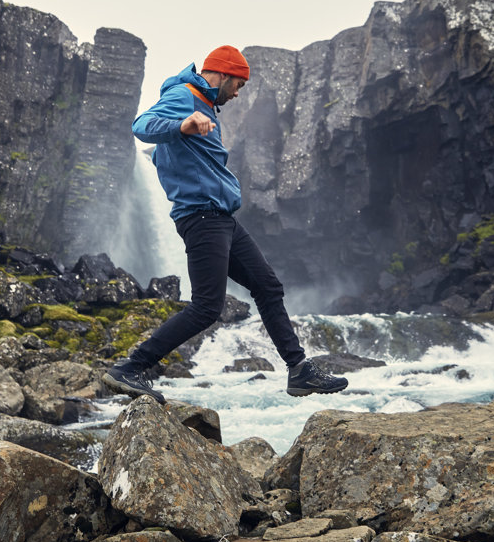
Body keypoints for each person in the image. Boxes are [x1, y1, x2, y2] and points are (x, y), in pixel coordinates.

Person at [103, 44, 348, 405]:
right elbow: (141, 126)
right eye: (238, 85)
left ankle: (299, 371)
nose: (237, 94)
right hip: (201, 217)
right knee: (206, 307)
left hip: (221, 217)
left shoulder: (205, 105)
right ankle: (130, 367)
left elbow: (175, 151)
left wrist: (175, 144)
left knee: (267, 286)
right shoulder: (183, 96)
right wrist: (182, 125)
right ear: (220, 74)